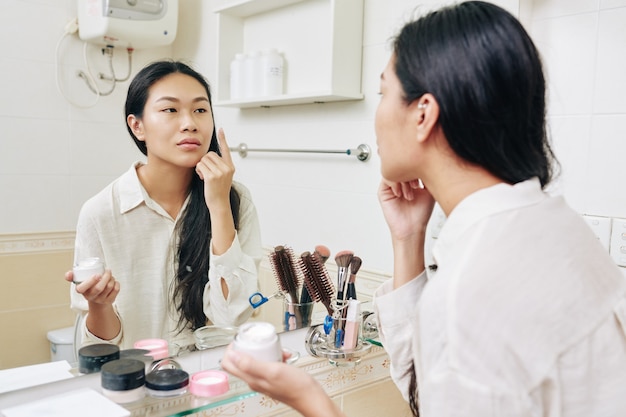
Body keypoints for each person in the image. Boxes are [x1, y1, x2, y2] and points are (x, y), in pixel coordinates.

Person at [221, 1, 626, 416]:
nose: (376, 115)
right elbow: (432, 384)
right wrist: (408, 238)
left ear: (423, 114)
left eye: (383, 93)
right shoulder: (553, 227)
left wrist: (311, 400)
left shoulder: (473, 286)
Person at [66, 60, 263, 352]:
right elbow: (99, 347)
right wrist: (98, 305)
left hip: (212, 380)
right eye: (170, 110)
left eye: (200, 110)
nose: (190, 123)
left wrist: (219, 204)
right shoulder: (101, 213)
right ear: (138, 126)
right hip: (137, 384)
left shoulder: (234, 199)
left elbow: (232, 317)